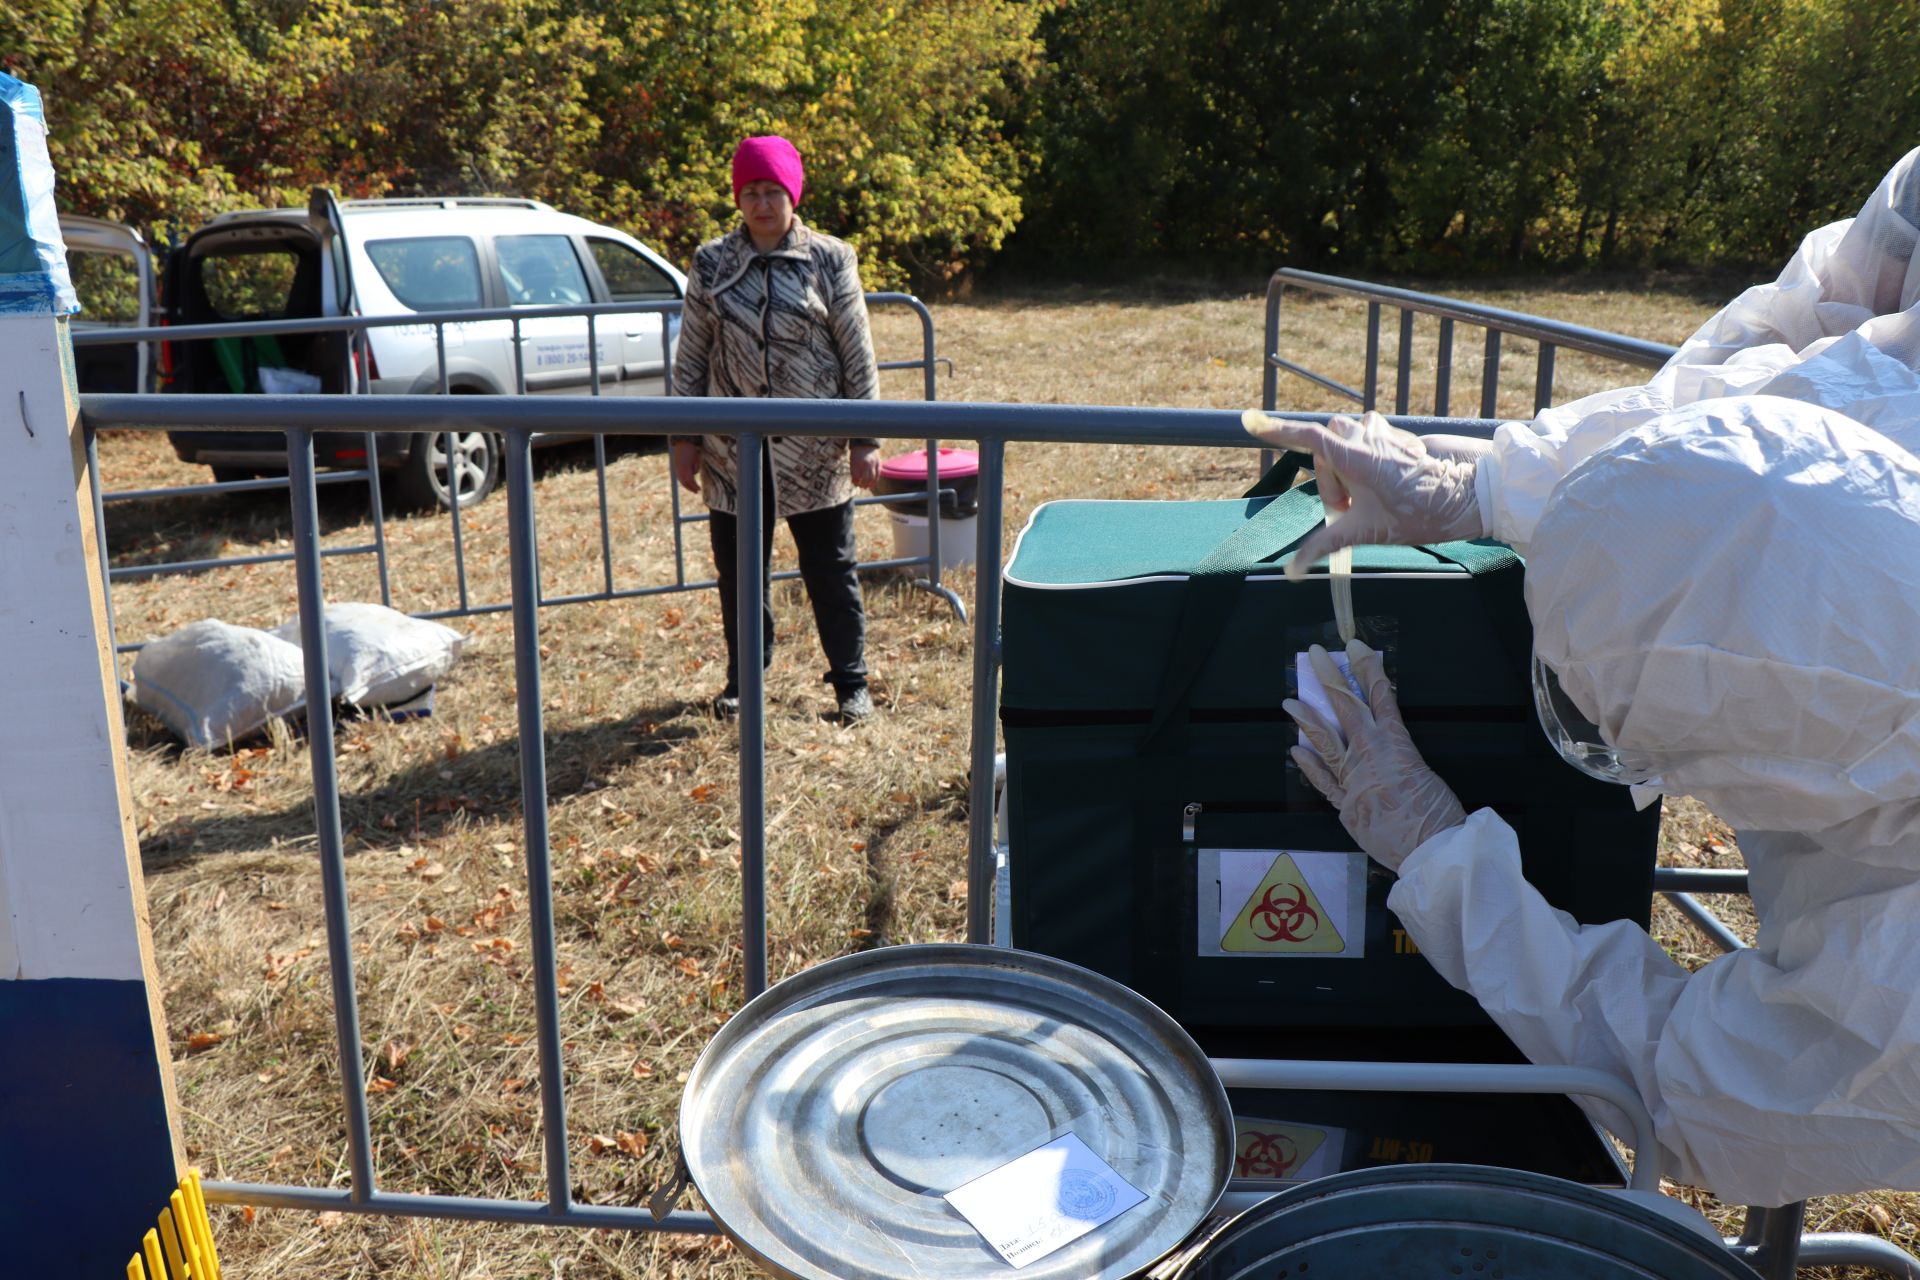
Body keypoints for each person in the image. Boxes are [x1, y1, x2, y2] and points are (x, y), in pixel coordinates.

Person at [1246, 148, 1920, 1208]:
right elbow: (1754, 407)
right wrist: (1490, 484)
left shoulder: (1908, 982)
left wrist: (1436, 853)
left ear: (1785, 771)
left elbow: (1684, 1092)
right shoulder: (1885, 391)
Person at [670, 134, 881, 724]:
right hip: (734, 453)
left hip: (814, 449)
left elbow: (856, 352)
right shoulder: (711, 262)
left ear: (793, 194)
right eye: (751, 192)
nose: (762, 204)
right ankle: (745, 683)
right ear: (739, 199)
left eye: (773, 191)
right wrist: (683, 440)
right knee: (740, 575)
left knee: (831, 570)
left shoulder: (831, 258)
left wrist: (866, 438)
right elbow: (691, 355)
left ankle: (850, 685)